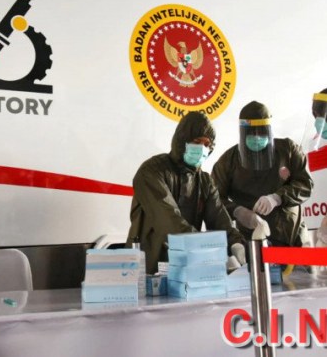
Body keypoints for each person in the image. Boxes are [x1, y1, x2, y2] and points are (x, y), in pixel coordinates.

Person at [126, 111, 246, 274]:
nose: (202, 148)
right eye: (196, 142)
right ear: (182, 141)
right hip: (148, 266)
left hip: (185, 266)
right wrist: (208, 250)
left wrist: (236, 243)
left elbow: (219, 218)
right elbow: (168, 221)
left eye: (206, 144)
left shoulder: (204, 181)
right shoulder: (152, 171)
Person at [211, 101, 313, 247]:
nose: (257, 137)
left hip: (292, 235)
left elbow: (305, 184)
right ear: (242, 132)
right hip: (252, 238)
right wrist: (238, 212)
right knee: (258, 261)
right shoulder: (228, 161)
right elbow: (214, 198)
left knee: (299, 261)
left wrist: (277, 198)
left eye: (262, 132)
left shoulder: (288, 150)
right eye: (251, 133)